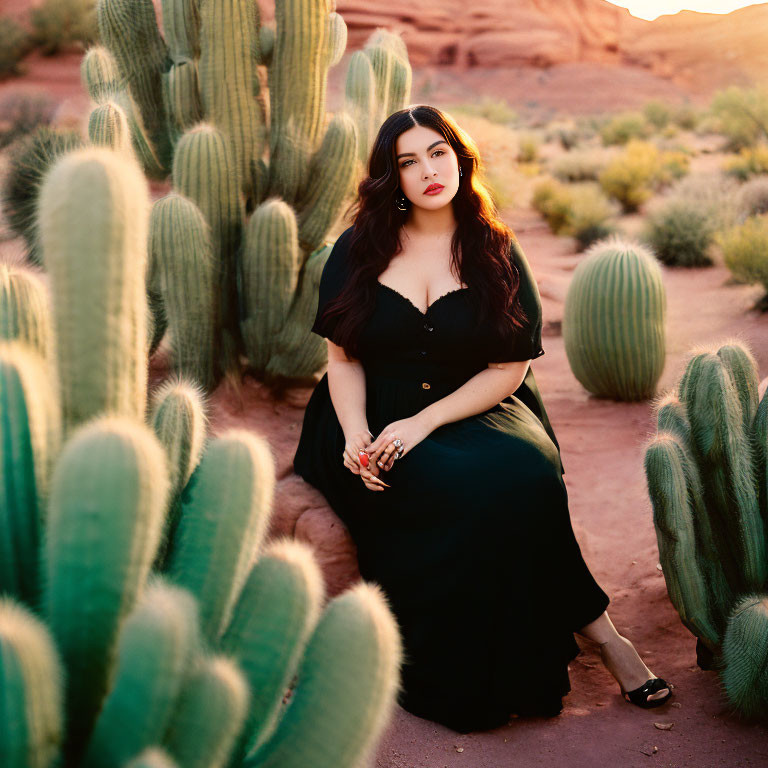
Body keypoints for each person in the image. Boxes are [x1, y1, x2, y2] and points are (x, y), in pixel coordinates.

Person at [292, 104, 672, 733]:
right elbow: (343, 357)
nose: (428, 170)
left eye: (438, 152)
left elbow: (507, 368)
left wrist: (425, 422)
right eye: (407, 162)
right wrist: (356, 433)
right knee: (461, 492)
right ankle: (569, 645)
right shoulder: (356, 250)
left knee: (523, 474)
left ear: (459, 158)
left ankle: (602, 636)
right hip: (372, 406)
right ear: (392, 178)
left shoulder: (494, 246)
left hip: (477, 401)